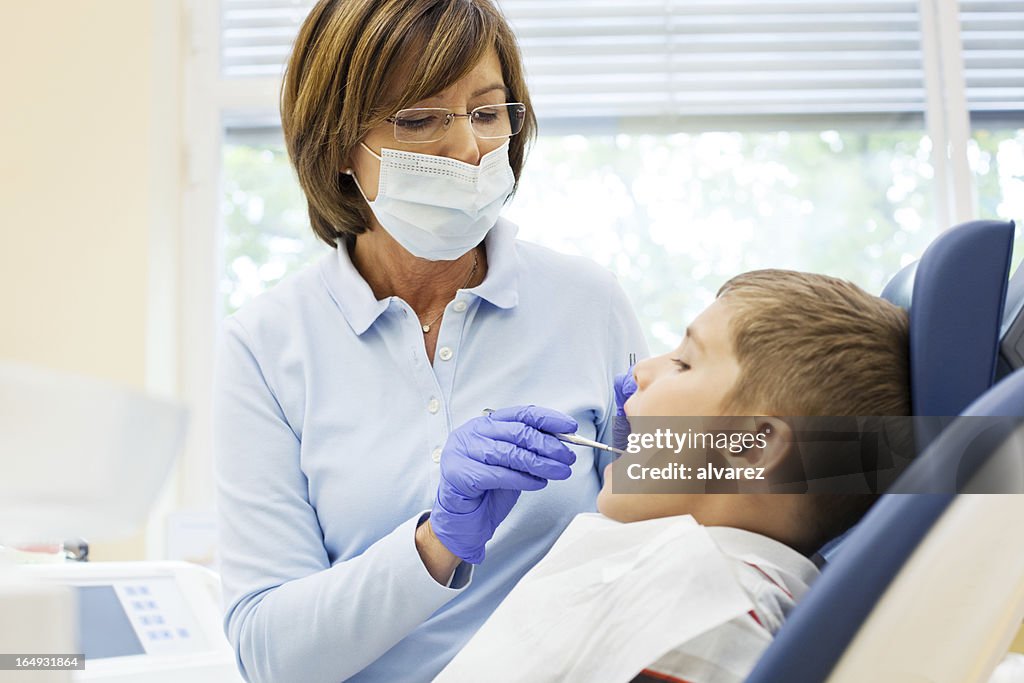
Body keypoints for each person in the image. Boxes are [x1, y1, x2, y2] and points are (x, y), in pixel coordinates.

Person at [211, 1, 646, 682]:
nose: (470, 148)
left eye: (488, 111)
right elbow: (270, 653)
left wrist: (662, 476)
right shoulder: (265, 346)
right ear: (337, 148)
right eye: (418, 119)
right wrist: (436, 541)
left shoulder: (591, 302)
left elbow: (655, 550)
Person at [435, 270, 911, 683]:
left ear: (754, 446)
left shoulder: (705, 606)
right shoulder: (698, 579)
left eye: (683, 362)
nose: (642, 370)